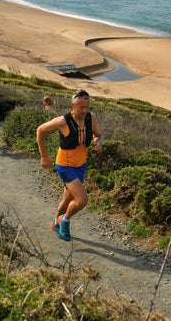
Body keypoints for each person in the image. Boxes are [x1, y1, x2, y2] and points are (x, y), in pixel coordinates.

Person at [36, 89, 103, 241]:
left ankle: (55, 223)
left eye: (87, 107)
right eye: (81, 107)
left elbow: (98, 135)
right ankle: (64, 220)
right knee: (82, 200)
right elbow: (40, 130)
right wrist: (44, 156)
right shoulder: (63, 121)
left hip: (81, 165)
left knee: (67, 199)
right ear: (73, 105)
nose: (84, 110)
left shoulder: (91, 118)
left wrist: (99, 142)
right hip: (65, 166)